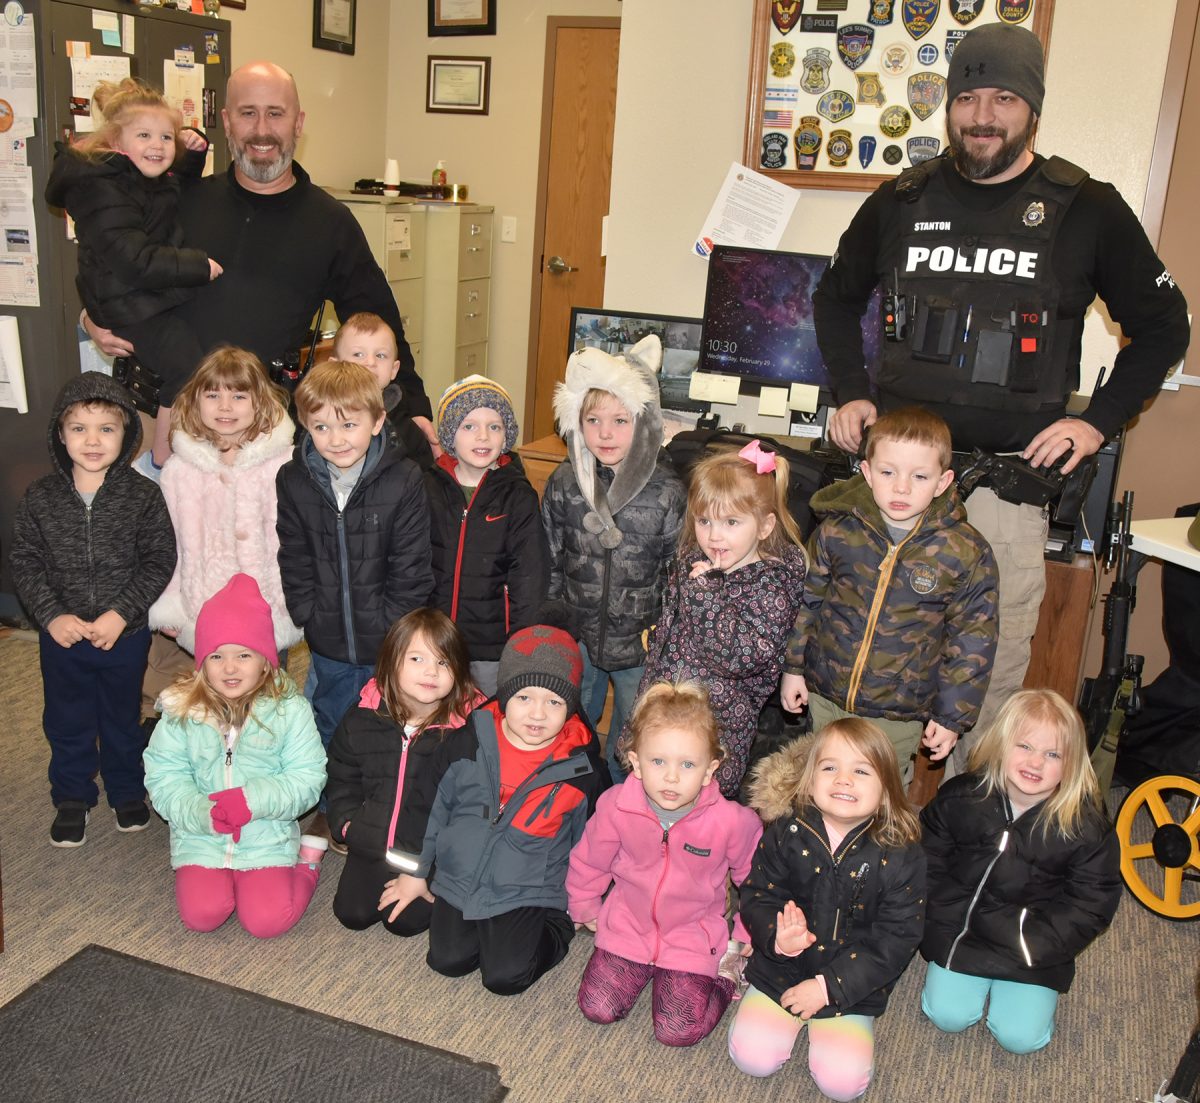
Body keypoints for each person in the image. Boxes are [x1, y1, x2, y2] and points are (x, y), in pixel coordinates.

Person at [812, 22, 1190, 761]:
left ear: (1032, 109)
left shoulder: (1088, 208)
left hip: (1004, 489)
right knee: (859, 653)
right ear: (949, 105)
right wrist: (850, 391)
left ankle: (961, 834)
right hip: (897, 483)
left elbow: (1165, 326)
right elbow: (834, 298)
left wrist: (1097, 423)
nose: (984, 115)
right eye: (969, 97)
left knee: (986, 676)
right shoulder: (900, 199)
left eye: (1005, 98)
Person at [82, 61, 436, 457]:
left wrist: (415, 408)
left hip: (257, 440)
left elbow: (381, 327)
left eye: (276, 114)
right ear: (228, 121)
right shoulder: (178, 199)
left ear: (298, 123)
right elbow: (111, 258)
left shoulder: (331, 224)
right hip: (154, 419)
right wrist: (90, 317)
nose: (262, 130)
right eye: (248, 113)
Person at [379, 625, 608, 996]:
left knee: (504, 977)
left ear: (571, 707)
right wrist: (415, 873)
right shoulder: (465, 743)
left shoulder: (583, 772)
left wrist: (585, 898)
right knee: (447, 961)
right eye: (524, 697)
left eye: (554, 701)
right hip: (461, 875)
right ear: (503, 698)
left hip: (529, 888)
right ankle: (469, 917)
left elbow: (600, 841)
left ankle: (555, 926)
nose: (537, 714)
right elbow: (424, 808)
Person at [780, 408, 998, 777]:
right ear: (866, 473)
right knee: (818, 785)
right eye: (887, 472)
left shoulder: (965, 552)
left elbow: (973, 641)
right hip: (826, 697)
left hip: (898, 714)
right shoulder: (839, 530)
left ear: (943, 482)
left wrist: (951, 717)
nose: (901, 487)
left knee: (881, 805)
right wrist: (792, 669)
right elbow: (806, 604)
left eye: (919, 476)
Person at [10, 372, 176, 846]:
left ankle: (126, 790)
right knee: (67, 719)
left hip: (123, 635)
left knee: (122, 717)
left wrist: (121, 614)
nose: (92, 440)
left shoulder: (144, 496)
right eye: (79, 428)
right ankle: (71, 795)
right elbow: (25, 561)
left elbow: (159, 559)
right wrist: (51, 615)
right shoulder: (40, 498)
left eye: (107, 428)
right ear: (60, 435)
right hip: (61, 636)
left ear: (126, 434)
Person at [728, 719, 926, 1101]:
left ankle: (833, 1015)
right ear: (810, 778)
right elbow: (756, 894)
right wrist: (777, 938)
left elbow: (897, 940)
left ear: (886, 786)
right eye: (830, 767)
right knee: (752, 1059)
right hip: (780, 970)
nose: (843, 780)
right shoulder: (786, 830)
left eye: (861, 770)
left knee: (843, 1085)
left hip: (850, 987)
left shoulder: (902, 854)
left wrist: (827, 988)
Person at [919, 689, 1121, 1054]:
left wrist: (1036, 946)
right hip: (963, 935)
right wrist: (939, 917)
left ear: (1072, 763)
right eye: (1024, 746)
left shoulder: (1087, 829)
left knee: (1020, 1039)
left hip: (1034, 950)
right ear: (1000, 743)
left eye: (1053, 754)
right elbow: (926, 858)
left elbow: (1091, 903)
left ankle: (1018, 995)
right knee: (946, 1016)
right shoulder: (961, 798)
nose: (1036, 763)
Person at [567, 680, 762, 1046]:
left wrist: (748, 931)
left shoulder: (732, 822)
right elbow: (589, 861)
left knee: (677, 1031)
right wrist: (584, 904)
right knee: (597, 1007)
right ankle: (641, 969)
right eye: (658, 761)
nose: (672, 776)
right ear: (636, 763)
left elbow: (757, 879)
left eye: (688, 764)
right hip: (627, 927)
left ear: (710, 769)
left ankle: (725, 977)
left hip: (692, 936)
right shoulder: (615, 806)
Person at [44, 77, 220, 471]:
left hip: (136, 297)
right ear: (116, 142)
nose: (157, 146)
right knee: (185, 364)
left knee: (189, 359)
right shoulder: (102, 188)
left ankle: (165, 448)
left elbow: (173, 192)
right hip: (125, 303)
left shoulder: (135, 178)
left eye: (166, 137)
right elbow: (133, 260)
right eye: (144, 135)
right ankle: (162, 454)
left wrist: (193, 155)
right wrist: (198, 267)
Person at [144, 574, 328, 938]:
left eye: (243, 655)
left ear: (265, 661)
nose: (230, 668)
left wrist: (251, 801)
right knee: (202, 916)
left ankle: (306, 865)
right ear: (201, 662)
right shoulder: (181, 710)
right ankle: (220, 876)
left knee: (266, 922)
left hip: (265, 834)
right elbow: (164, 776)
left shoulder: (290, 710)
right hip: (201, 837)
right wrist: (200, 812)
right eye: (217, 656)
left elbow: (307, 777)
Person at [275, 360, 434, 784]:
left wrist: (393, 627)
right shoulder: (293, 480)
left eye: (349, 425)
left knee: (387, 726)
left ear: (378, 420)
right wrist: (306, 612)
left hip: (387, 642)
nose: (336, 439)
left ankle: (380, 806)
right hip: (326, 637)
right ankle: (332, 805)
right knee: (331, 720)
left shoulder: (403, 479)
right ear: (305, 424)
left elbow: (413, 565)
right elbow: (293, 553)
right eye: (321, 427)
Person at [542, 334, 686, 784]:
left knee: (632, 736)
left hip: (639, 643)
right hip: (577, 633)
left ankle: (622, 809)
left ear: (645, 422)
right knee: (572, 723)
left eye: (621, 420)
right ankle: (572, 795)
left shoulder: (666, 492)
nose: (605, 433)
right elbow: (548, 554)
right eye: (593, 419)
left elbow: (677, 575)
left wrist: (665, 638)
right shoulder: (565, 483)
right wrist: (550, 623)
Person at [630, 441, 806, 798]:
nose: (713, 535)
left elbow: (739, 658)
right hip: (666, 711)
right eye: (704, 520)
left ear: (764, 526)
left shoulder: (771, 584)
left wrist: (705, 594)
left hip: (718, 729)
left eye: (731, 522)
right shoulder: (698, 563)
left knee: (700, 816)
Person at [326, 609, 483, 935]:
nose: (431, 672)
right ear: (390, 661)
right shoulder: (362, 717)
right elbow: (342, 773)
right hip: (372, 842)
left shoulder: (468, 731)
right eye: (417, 659)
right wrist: (348, 823)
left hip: (431, 854)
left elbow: (471, 806)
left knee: (404, 923)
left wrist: (429, 867)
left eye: (443, 662)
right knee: (352, 914)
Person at [149, 347, 301, 660]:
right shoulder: (179, 472)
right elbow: (169, 545)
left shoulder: (285, 465)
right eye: (213, 395)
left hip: (271, 608)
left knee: (269, 702)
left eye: (239, 396)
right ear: (195, 401)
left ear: (260, 402)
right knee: (212, 701)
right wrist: (171, 604)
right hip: (206, 610)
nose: (225, 407)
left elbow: (303, 539)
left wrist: (300, 600)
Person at [425, 375, 549, 696]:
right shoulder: (428, 487)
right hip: (434, 639)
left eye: (494, 426)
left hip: (492, 647)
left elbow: (530, 577)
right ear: (450, 435)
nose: (483, 436)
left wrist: (521, 644)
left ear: (506, 435)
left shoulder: (517, 496)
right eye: (469, 426)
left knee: (487, 719)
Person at [331, 312, 435, 467]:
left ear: (394, 370)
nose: (370, 362)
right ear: (334, 366)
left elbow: (426, 480)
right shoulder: (321, 419)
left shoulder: (407, 432)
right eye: (358, 354)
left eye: (380, 355)